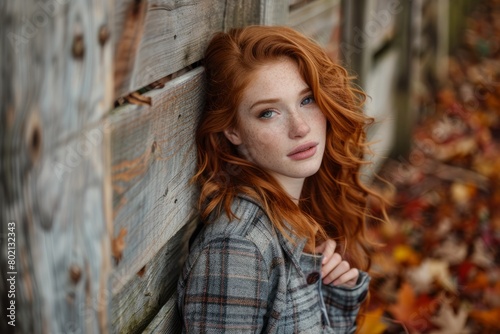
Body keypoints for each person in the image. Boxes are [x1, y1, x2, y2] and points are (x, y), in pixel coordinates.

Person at [177, 25, 386, 333]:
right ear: (232, 130)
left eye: (307, 100)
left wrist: (335, 296)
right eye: (268, 113)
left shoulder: (295, 218)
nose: (300, 127)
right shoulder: (238, 247)